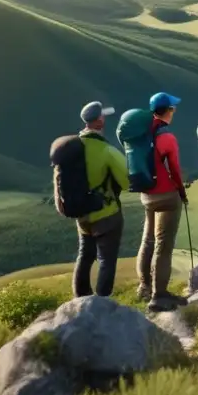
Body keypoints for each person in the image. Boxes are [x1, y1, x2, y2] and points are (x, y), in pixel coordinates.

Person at [53, 101, 129, 298]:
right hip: (106, 213)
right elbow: (127, 182)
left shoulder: (72, 149)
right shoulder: (106, 150)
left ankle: (81, 298)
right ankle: (102, 302)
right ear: (100, 120)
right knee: (106, 259)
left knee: (85, 256)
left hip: (81, 214)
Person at [136, 91, 189, 312]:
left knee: (147, 239)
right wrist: (181, 192)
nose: (174, 112)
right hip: (166, 196)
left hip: (146, 194)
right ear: (167, 111)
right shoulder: (167, 137)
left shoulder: (140, 133)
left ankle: (144, 287)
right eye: (173, 109)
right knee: (163, 246)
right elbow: (175, 170)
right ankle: (159, 296)